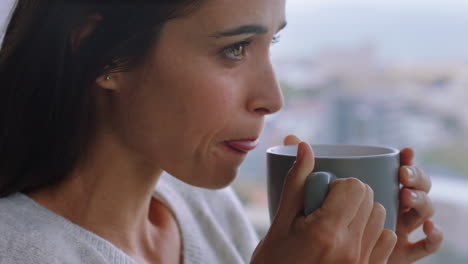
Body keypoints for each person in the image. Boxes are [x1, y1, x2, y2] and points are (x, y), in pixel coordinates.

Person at [0, 0, 442, 263]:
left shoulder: (208, 207)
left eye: (273, 43)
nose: (272, 98)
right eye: (234, 48)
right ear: (103, 55)